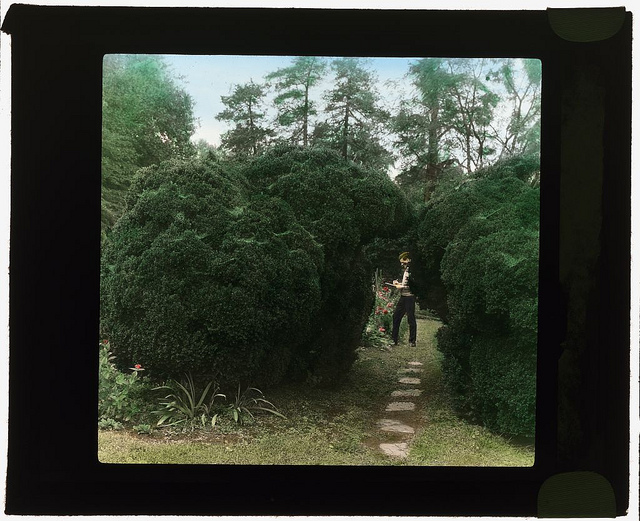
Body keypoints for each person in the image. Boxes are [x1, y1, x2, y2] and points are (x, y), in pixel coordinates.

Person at [387, 251, 417, 349]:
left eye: (404, 262)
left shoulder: (412, 271)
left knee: (410, 318)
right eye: (401, 263)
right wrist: (398, 283)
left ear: (409, 260)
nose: (402, 264)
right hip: (403, 297)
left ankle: (412, 341)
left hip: (409, 297)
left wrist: (400, 286)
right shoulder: (406, 271)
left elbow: (412, 285)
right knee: (396, 316)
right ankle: (394, 339)